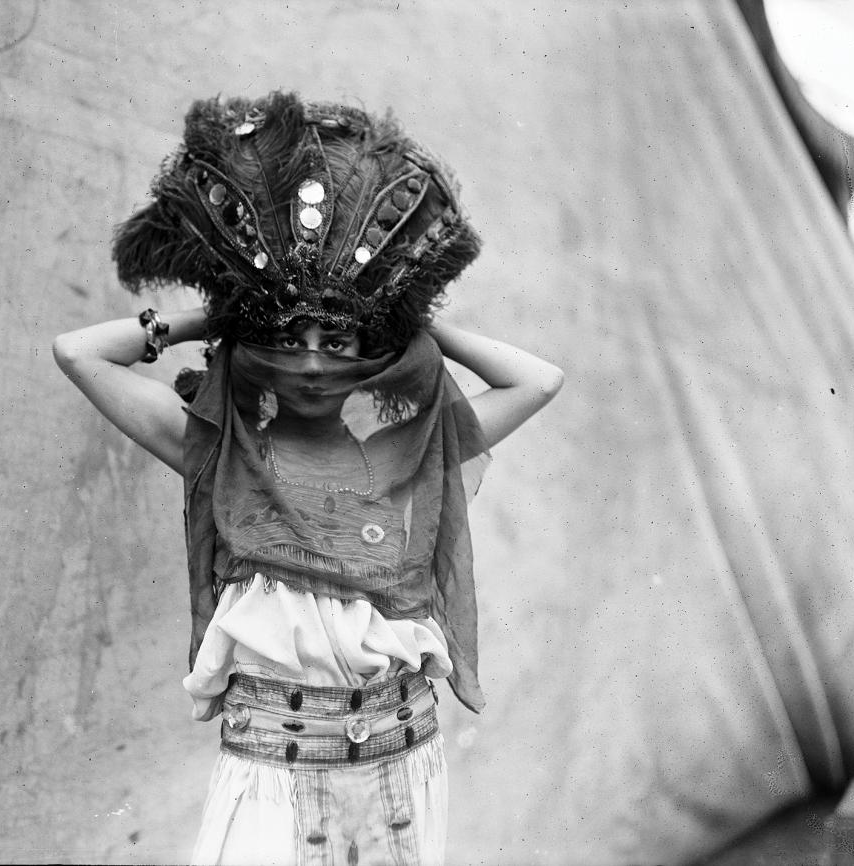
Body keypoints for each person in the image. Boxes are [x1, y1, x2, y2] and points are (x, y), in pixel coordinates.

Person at [53, 91, 563, 866]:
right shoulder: (217, 448)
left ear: (375, 347)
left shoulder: (413, 452)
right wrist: (210, 320)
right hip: (272, 766)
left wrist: (414, 326)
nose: (315, 360)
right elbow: (77, 353)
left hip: (399, 757)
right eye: (288, 338)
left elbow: (539, 380)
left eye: (341, 338)